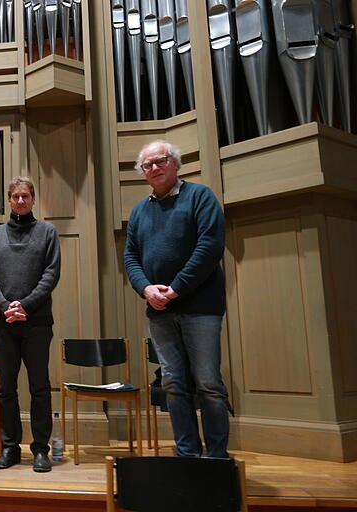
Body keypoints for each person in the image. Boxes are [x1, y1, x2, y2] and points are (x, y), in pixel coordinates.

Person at [124, 140, 230, 458]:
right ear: (143, 172)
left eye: (161, 161)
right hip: (159, 311)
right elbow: (130, 256)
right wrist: (145, 289)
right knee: (172, 383)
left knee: (209, 384)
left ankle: (216, 457)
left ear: (175, 163)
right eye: (148, 165)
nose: (154, 168)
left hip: (200, 308)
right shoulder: (139, 210)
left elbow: (209, 247)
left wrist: (176, 288)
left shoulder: (200, 197)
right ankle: (187, 452)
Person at [0, 176, 61, 472]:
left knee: (40, 387)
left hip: (37, 323)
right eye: (15, 196)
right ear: (9, 199)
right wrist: (5, 307)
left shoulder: (48, 232)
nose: (20, 201)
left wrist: (24, 306)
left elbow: (50, 275)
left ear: (33, 199)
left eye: (25, 196)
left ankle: (41, 449)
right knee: (6, 389)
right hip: (4, 324)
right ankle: (10, 448)